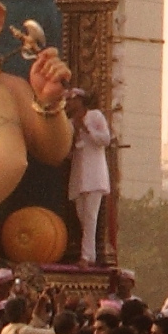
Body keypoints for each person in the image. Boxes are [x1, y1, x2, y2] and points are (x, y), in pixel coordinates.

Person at [67, 86, 112, 264]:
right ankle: (90, 254)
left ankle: (86, 257)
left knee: (91, 216)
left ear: (80, 101)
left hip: (94, 174)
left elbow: (105, 140)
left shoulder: (95, 116)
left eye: (72, 100)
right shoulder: (70, 123)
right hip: (79, 173)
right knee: (82, 216)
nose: (70, 103)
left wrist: (86, 129)